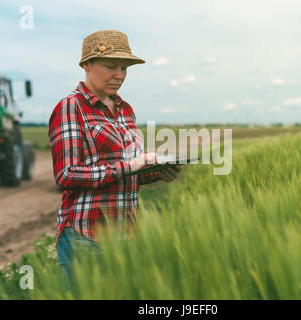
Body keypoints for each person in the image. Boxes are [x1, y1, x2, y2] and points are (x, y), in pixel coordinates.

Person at [48, 29, 181, 297]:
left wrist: (155, 172)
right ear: (86, 65)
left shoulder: (126, 109)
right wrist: (129, 167)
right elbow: (66, 175)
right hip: (87, 238)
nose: (119, 75)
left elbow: (128, 173)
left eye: (124, 67)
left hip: (128, 238)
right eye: (110, 66)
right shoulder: (70, 108)